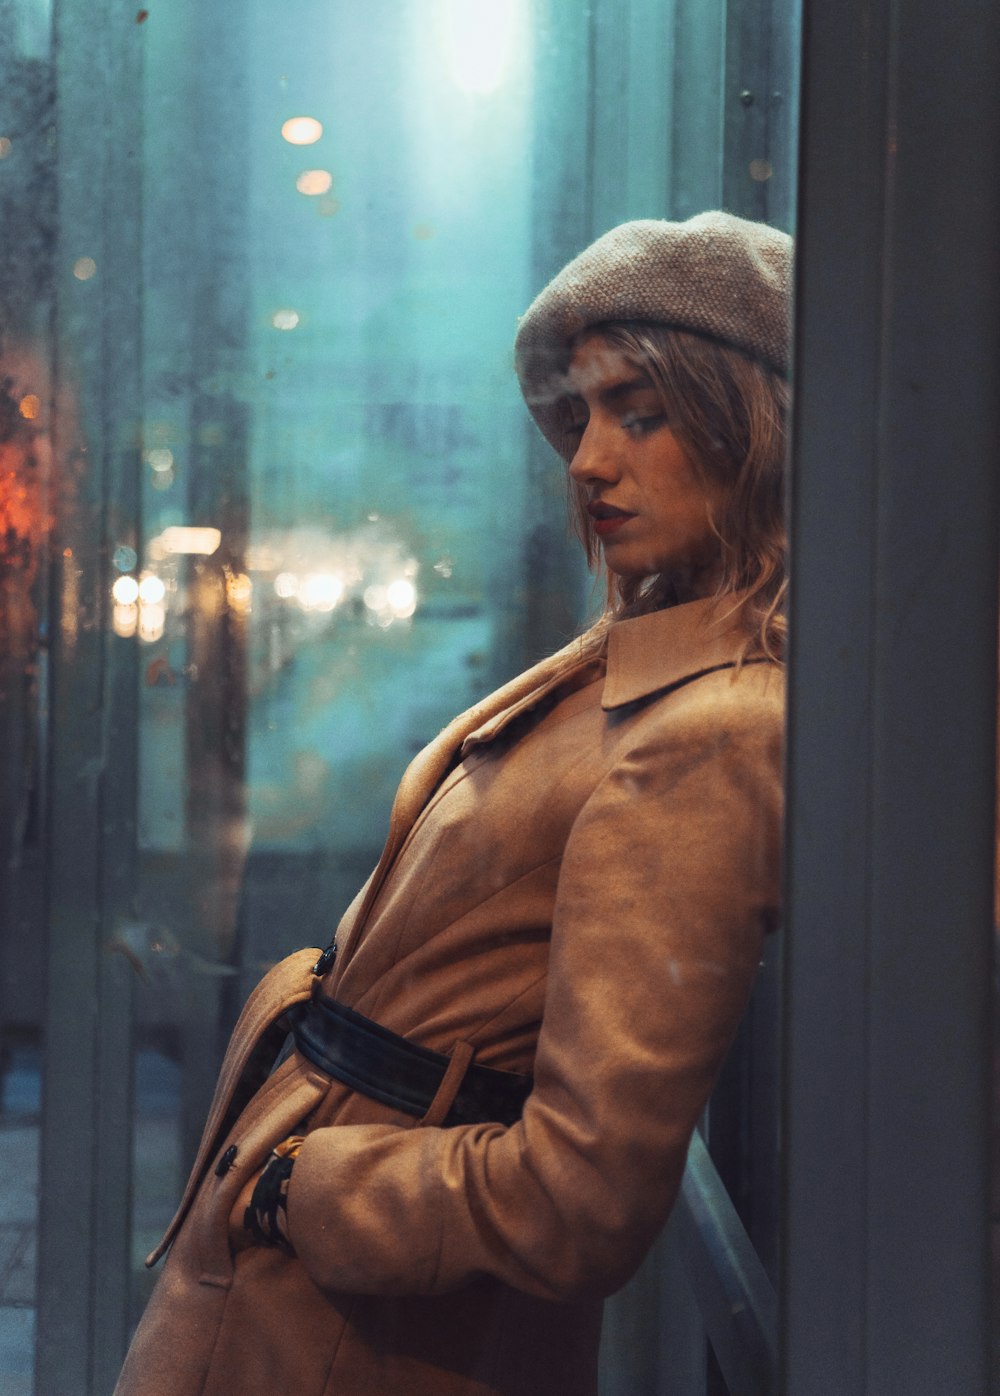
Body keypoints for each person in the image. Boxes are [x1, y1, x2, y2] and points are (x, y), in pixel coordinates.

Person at [115, 210, 791, 1396]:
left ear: (754, 428)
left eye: (641, 413)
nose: (588, 459)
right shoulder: (638, 662)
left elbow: (582, 1196)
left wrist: (305, 1189)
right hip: (308, 1300)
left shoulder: (716, 731)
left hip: (357, 1331)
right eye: (578, 417)